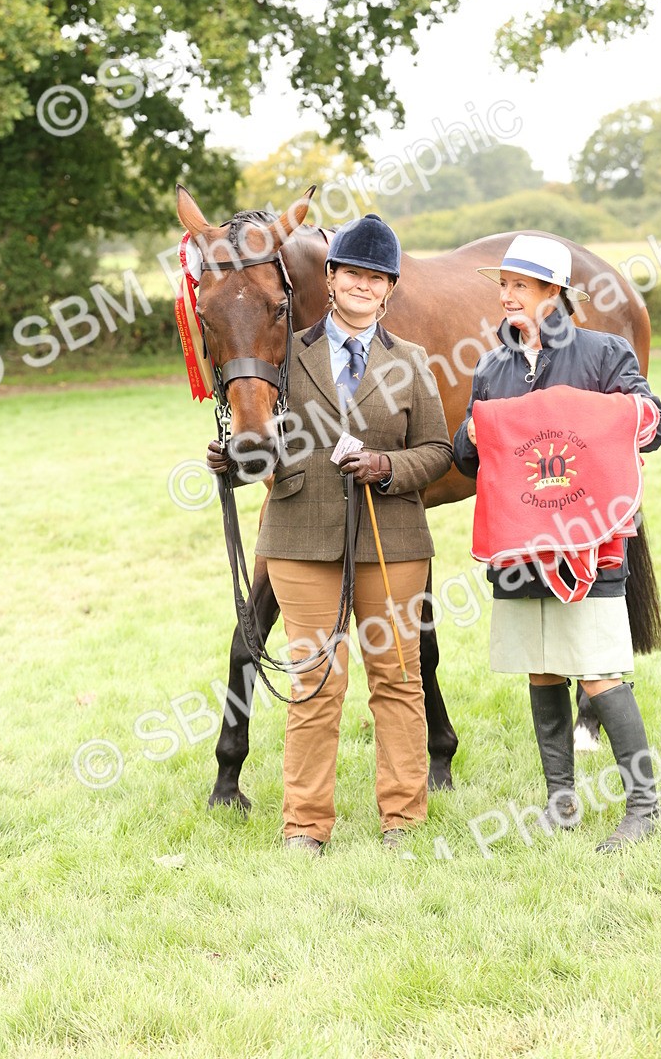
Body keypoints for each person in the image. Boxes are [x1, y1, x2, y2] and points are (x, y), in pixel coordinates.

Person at [211, 214, 452, 852]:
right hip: (300, 538)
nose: (365, 287)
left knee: (398, 682)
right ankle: (305, 826)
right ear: (331, 277)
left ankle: (403, 821)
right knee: (316, 683)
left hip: (391, 540)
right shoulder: (283, 354)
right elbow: (265, 441)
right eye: (354, 274)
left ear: (390, 288)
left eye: (378, 278)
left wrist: (384, 466)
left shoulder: (414, 363)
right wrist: (235, 463)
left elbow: (437, 451)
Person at [453, 234, 661, 853]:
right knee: (543, 671)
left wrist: (603, 413)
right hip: (520, 547)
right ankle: (562, 803)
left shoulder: (604, 353)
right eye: (503, 286)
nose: (506, 296)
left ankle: (643, 807)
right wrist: (473, 433)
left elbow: (650, 423)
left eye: (519, 285)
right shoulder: (492, 367)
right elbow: (473, 462)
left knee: (598, 674)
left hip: (588, 542)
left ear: (554, 292)